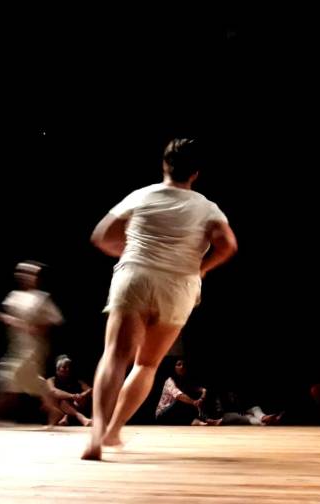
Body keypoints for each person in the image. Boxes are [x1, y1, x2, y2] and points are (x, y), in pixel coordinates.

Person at [82, 138, 238, 460]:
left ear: (164, 165)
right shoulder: (207, 207)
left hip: (135, 276)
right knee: (147, 364)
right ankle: (113, 431)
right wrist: (202, 268)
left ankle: (96, 437)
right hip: (178, 286)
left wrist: (127, 252)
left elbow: (102, 235)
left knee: (115, 356)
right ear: (195, 173)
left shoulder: (142, 195)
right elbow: (228, 245)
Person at [0, 261, 77, 424]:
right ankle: (53, 410)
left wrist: (30, 326)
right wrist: (9, 320)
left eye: (29, 274)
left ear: (35, 277)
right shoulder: (14, 296)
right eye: (22, 273)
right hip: (17, 346)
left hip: (33, 347)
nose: (25, 277)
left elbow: (55, 320)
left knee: (10, 375)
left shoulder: (41, 298)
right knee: (25, 381)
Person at [46, 354, 93, 426]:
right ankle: (80, 417)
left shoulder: (76, 381)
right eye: (64, 367)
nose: (67, 369)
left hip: (73, 407)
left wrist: (82, 395)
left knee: (81, 400)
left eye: (69, 367)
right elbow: (53, 391)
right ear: (57, 369)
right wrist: (72, 396)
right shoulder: (51, 380)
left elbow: (90, 389)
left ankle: (67, 417)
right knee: (63, 401)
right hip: (57, 409)